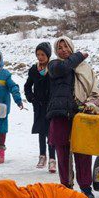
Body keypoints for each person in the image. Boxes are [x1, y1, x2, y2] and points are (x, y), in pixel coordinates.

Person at [46, 36, 99, 198]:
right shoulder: (54, 65)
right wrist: (78, 55)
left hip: (82, 114)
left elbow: (95, 88)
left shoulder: (86, 68)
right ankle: (66, 186)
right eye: (60, 48)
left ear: (71, 47)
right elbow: (64, 68)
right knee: (62, 152)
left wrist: (91, 103)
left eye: (66, 47)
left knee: (83, 151)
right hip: (60, 114)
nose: (63, 50)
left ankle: (85, 186)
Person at [24, 42, 56, 173]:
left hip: (51, 106)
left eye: (43, 54)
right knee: (41, 131)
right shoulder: (33, 70)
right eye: (38, 54)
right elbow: (27, 86)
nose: (40, 57)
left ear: (48, 55)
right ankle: (42, 155)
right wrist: (31, 98)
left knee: (51, 132)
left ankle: (52, 159)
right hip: (39, 106)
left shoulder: (53, 68)